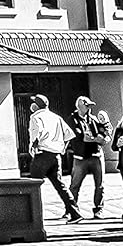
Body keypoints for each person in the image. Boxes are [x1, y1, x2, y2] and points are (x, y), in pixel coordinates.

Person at [27, 94, 82, 222]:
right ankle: (75, 213)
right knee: (60, 184)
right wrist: (62, 149)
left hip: (42, 154)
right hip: (56, 155)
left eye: (34, 103)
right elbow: (68, 135)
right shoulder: (56, 117)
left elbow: (36, 134)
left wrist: (34, 148)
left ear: (37, 105)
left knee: (33, 186)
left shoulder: (35, 117)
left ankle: (33, 217)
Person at [66, 96, 112, 218]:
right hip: (80, 157)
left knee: (100, 184)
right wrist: (96, 139)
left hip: (96, 154)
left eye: (90, 106)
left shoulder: (93, 119)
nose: (89, 108)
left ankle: (98, 210)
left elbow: (104, 134)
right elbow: (83, 137)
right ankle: (71, 210)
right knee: (75, 185)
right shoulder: (72, 119)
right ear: (80, 106)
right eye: (87, 106)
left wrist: (105, 137)